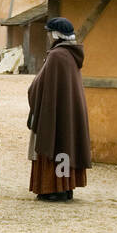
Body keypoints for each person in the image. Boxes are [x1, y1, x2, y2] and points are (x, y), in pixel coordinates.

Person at [27, 17, 90, 201]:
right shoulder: (70, 54)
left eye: (49, 32)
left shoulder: (57, 55)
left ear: (55, 34)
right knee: (66, 143)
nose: (48, 36)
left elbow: (41, 86)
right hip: (66, 112)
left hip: (54, 112)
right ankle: (65, 187)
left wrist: (32, 91)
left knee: (55, 143)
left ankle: (54, 188)